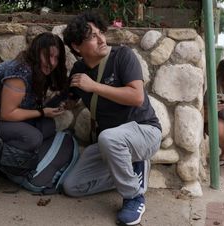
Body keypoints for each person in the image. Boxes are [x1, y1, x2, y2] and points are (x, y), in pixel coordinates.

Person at [62, 12, 162, 225]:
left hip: (144, 131)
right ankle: (130, 172)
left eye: (100, 33)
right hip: (113, 143)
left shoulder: (123, 56)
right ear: (77, 47)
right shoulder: (79, 69)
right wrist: (52, 107)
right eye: (92, 37)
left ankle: (134, 196)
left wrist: (94, 86)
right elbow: (70, 99)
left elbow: (136, 96)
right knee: (72, 187)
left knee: (107, 138)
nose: (101, 40)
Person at [0, 32, 68, 193]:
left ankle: (8, 162)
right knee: (32, 137)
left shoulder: (37, 70)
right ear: (37, 52)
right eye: (47, 56)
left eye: (57, 58)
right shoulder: (20, 71)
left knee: (47, 127)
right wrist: (42, 112)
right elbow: (7, 114)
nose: (52, 62)